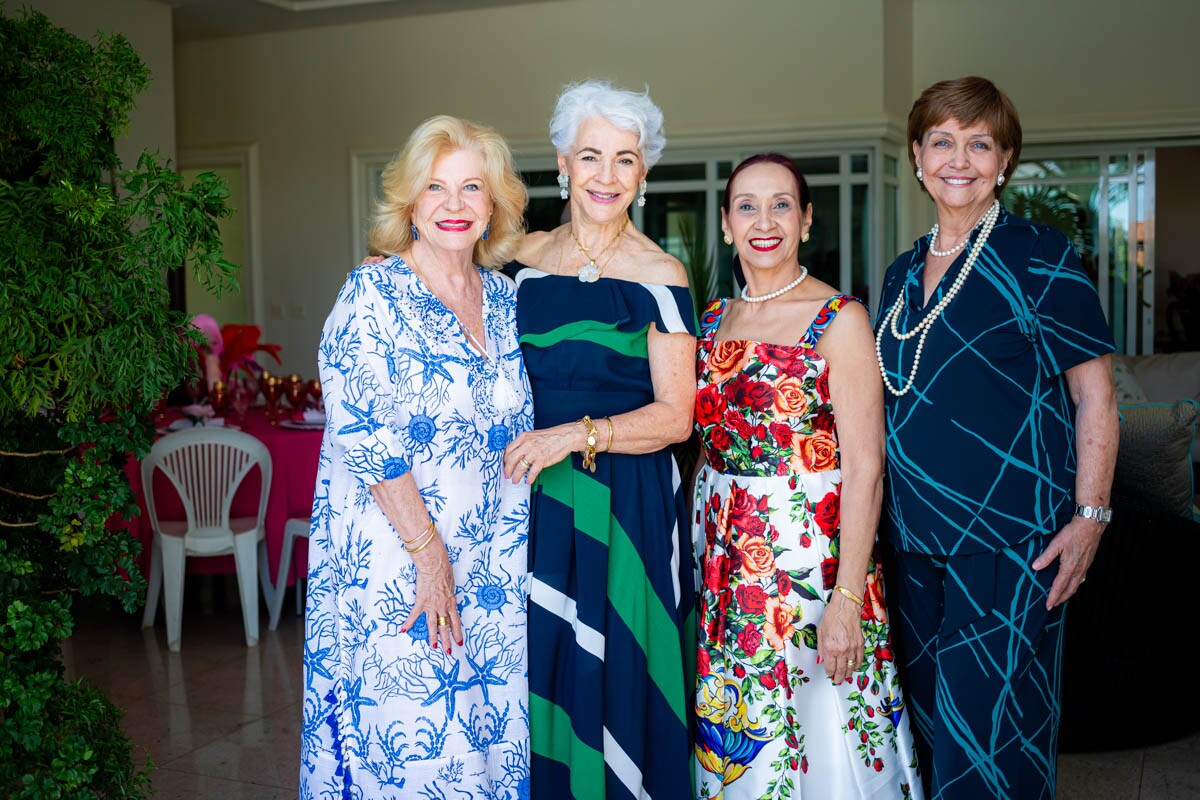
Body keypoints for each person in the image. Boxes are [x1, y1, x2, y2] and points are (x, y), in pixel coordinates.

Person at [875, 77, 1119, 799]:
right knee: (933, 735)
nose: (960, 158)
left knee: (989, 746)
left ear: (1004, 161)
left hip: (1010, 543)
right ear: (917, 157)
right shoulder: (897, 275)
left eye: (979, 143)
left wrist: (1091, 516)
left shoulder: (1039, 254)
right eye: (942, 141)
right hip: (913, 544)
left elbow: (1094, 395)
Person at [301, 115, 534, 798]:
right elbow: (366, 439)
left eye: (472, 188)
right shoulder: (371, 296)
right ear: (409, 203)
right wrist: (430, 558)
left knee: (485, 748)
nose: (455, 206)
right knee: (413, 752)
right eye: (436, 188)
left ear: (495, 205)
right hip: (400, 567)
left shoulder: (506, 299)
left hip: (493, 572)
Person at [692, 153, 923, 798]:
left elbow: (867, 468)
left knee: (825, 735)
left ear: (807, 220)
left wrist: (848, 599)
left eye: (781, 205)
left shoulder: (841, 319)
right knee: (744, 736)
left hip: (814, 570)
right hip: (729, 574)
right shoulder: (710, 322)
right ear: (726, 222)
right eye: (747, 206)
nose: (764, 221)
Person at [501, 80, 696, 798]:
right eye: (591, 156)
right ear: (561, 163)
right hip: (531, 499)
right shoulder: (515, 262)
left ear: (643, 172)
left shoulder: (660, 275)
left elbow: (678, 417)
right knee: (541, 662)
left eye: (625, 159)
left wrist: (573, 435)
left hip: (628, 503)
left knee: (616, 672)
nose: (607, 176)